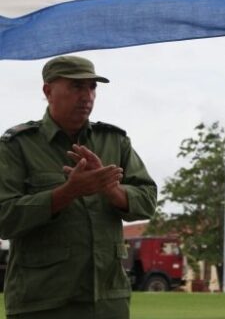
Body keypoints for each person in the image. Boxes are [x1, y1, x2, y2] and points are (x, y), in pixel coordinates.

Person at [0, 55, 158, 319]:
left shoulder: (114, 142)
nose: (87, 96)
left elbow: (148, 199)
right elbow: (4, 218)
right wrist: (67, 192)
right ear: (48, 90)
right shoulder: (17, 146)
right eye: (76, 86)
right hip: (43, 303)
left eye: (92, 87)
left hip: (108, 302)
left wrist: (113, 191)